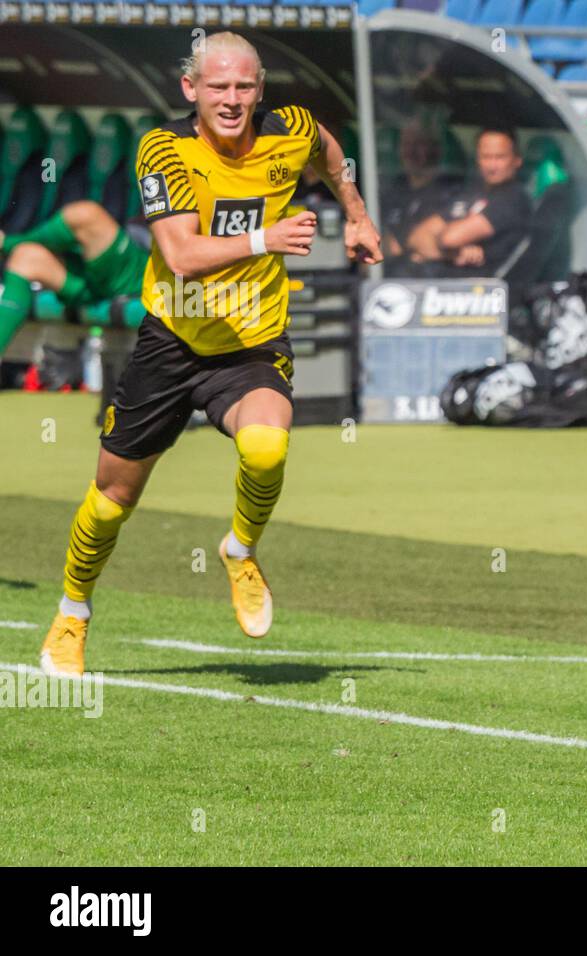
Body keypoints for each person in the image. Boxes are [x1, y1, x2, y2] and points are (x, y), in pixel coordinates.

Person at [38, 32, 383, 677]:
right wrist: (267, 236)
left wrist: (358, 216)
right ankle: (72, 612)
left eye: (244, 87)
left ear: (260, 90)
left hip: (251, 343)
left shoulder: (294, 129)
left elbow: (333, 156)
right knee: (112, 500)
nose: (232, 99)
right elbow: (182, 256)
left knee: (267, 446)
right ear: (190, 89)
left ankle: (240, 548)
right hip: (171, 342)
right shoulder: (164, 149)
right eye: (218, 86)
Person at [0, 200, 150, 355]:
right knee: (26, 257)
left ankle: (6, 244)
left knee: (85, 214)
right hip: (95, 278)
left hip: (140, 276)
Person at [401, 127, 531, 276]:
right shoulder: (470, 194)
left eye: (500, 157)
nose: (492, 166)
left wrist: (430, 249)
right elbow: (416, 237)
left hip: (487, 291)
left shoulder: (514, 198)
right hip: (442, 288)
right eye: (486, 157)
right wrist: (454, 255)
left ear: (517, 160)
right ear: (477, 160)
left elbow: (449, 238)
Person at [381, 119, 463, 276]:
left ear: (436, 150)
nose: (411, 151)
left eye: (419, 144)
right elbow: (377, 247)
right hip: (387, 282)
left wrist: (402, 243)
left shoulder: (452, 192)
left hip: (436, 284)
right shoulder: (391, 192)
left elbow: (447, 247)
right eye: (406, 144)